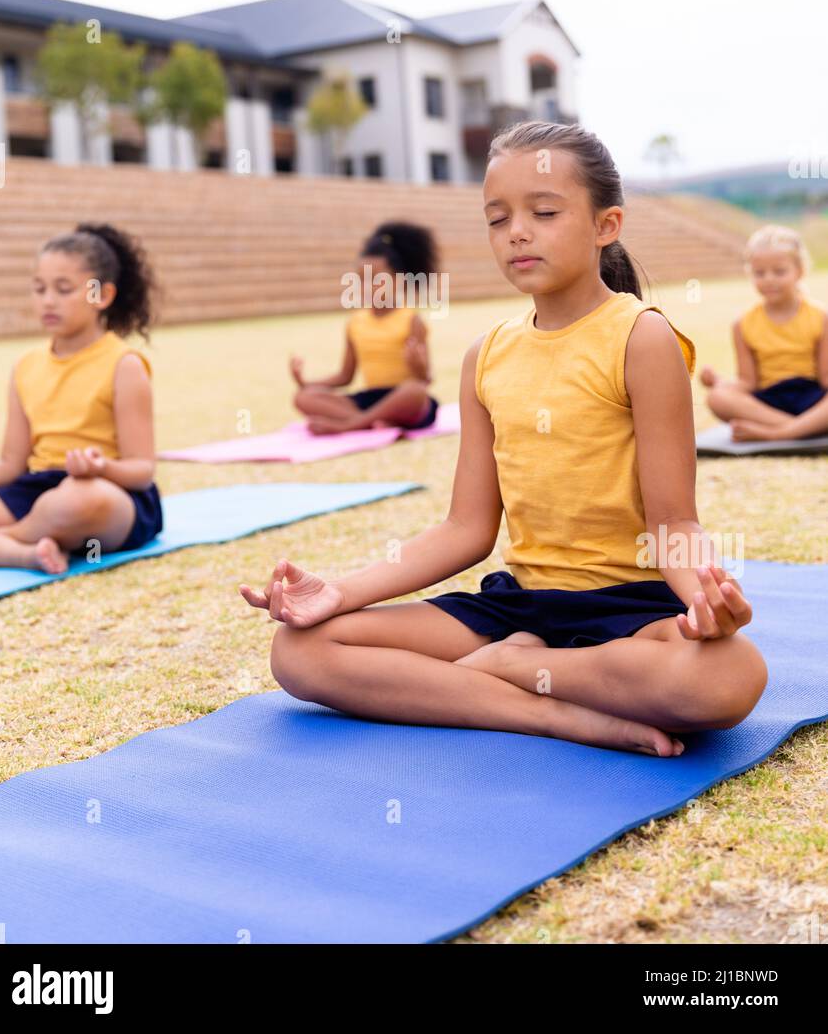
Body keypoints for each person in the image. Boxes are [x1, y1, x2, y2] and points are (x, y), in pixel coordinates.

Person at [242, 121, 768, 757]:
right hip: (519, 609)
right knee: (300, 650)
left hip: (629, 610)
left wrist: (704, 597)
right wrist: (338, 592)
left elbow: (674, 522)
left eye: (544, 212)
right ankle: (549, 713)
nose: (516, 231)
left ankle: (517, 668)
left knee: (729, 677)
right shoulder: (485, 355)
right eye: (497, 218)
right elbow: (465, 528)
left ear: (606, 225)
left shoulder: (642, 337)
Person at [0, 223, 162, 574]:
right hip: (37, 489)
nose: (48, 300)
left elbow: (141, 471)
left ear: (102, 295)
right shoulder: (25, 366)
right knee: (52, 502)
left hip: (107, 491)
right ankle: (25, 554)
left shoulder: (124, 365)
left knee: (77, 500)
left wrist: (100, 468)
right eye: (39, 289)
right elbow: (10, 465)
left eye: (63, 289)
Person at [289, 221, 439, 434]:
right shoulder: (355, 323)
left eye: (376, 279)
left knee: (414, 392)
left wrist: (419, 366)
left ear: (399, 280)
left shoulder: (411, 320)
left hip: (402, 398)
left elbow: (424, 380)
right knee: (303, 398)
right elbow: (345, 376)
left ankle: (351, 424)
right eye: (361, 279)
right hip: (370, 399)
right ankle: (373, 421)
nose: (368, 287)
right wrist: (306, 383)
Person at [700, 224, 828, 441]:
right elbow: (747, 382)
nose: (769, 279)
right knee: (717, 398)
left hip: (811, 397)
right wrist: (719, 383)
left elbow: (825, 379)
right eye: (760, 273)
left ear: (799, 271)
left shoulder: (821, 317)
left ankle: (779, 433)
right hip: (768, 402)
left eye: (779, 271)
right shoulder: (742, 324)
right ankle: (805, 428)